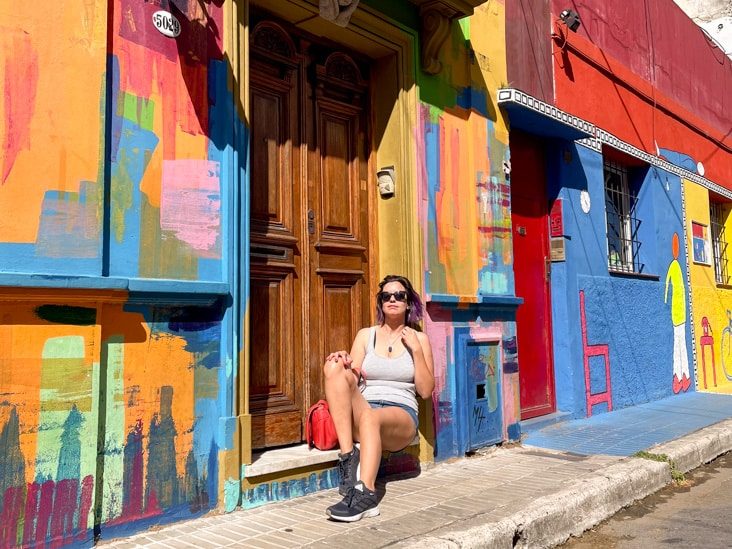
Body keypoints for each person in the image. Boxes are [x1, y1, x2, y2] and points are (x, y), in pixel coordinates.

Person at [322, 274, 434, 522]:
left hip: (400, 416)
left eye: (399, 295)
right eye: (386, 296)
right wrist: (343, 362)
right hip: (366, 408)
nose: (392, 299)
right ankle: (348, 457)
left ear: (408, 303)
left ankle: (367, 494)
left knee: (372, 417)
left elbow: (426, 391)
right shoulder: (366, 335)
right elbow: (353, 377)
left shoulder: (420, 339)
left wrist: (415, 349)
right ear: (380, 302)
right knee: (333, 367)